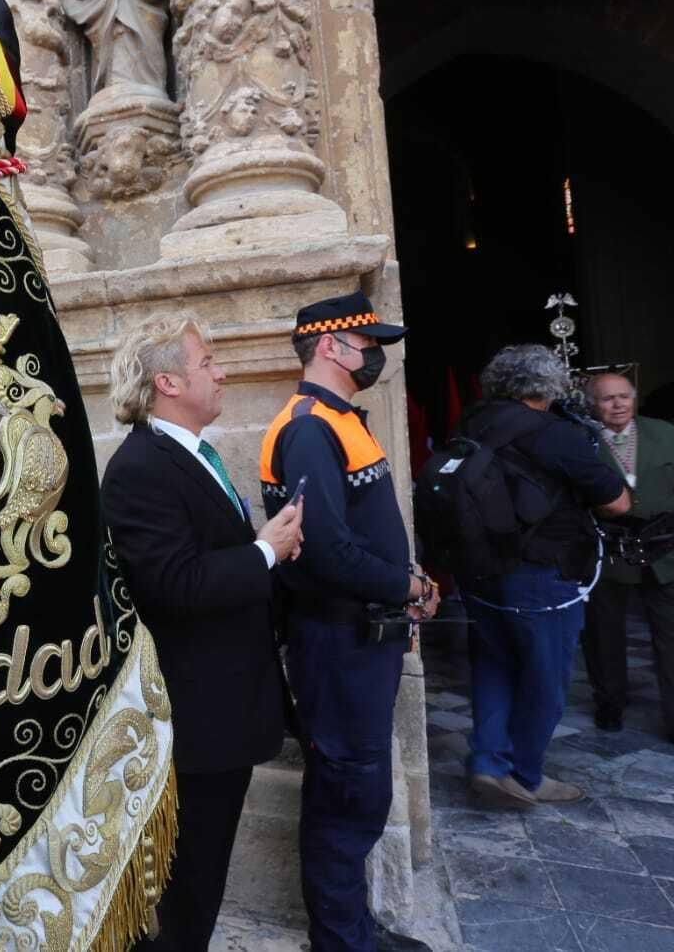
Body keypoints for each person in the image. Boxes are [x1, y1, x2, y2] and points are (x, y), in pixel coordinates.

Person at [101, 315, 303, 949]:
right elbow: (174, 585)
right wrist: (264, 552)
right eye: (208, 361)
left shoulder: (193, 453)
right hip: (195, 719)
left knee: (203, 876)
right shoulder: (142, 465)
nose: (222, 372)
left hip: (227, 709)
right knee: (185, 888)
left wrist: (268, 554)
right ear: (167, 381)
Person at [258, 291, 438, 952]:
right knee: (345, 796)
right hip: (337, 641)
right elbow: (325, 549)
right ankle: (341, 942)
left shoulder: (340, 419)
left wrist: (404, 586)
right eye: (369, 344)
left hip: (362, 639)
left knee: (358, 793)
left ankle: (352, 931)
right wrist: (405, 583)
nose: (377, 356)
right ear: (332, 346)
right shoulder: (309, 426)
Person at [452, 347, 632, 809]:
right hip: (540, 574)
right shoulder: (556, 434)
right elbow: (617, 503)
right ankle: (526, 775)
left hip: (480, 572)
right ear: (550, 386)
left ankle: (489, 764)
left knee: (493, 667)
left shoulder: (472, 423)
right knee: (544, 678)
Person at [582, 371, 674, 755]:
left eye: (623, 396)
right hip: (610, 548)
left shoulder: (666, 434)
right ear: (592, 405)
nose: (617, 404)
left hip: (664, 548)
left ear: (635, 397)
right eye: (607, 399)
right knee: (604, 632)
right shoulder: (580, 440)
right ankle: (610, 703)